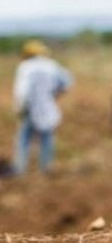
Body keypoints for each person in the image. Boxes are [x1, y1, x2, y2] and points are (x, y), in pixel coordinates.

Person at [13, 39, 72, 175]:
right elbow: (67, 82)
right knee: (47, 138)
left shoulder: (25, 67)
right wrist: (55, 95)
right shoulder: (51, 65)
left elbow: (22, 91)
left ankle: (20, 169)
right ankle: (46, 168)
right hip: (47, 107)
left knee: (24, 139)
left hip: (29, 108)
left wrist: (19, 107)